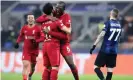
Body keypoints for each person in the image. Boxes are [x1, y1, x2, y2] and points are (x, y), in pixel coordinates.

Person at [36, 3, 71, 80]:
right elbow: (67, 32)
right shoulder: (56, 21)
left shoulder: (42, 22)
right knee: (55, 68)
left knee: (47, 68)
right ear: (52, 10)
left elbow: (37, 20)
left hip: (45, 45)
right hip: (53, 45)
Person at [90, 8, 121, 80]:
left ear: (111, 14)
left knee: (96, 67)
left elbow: (101, 35)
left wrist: (94, 45)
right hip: (114, 51)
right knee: (110, 70)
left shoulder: (108, 23)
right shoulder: (119, 25)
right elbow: (118, 38)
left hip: (105, 49)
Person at [14, 14, 43, 80]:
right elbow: (20, 36)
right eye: (29, 18)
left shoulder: (37, 28)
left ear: (34, 19)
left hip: (34, 50)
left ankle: (30, 75)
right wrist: (17, 42)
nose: (30, 19)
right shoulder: (24, 28)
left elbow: (42, 37)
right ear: (27, 20)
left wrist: (36, 41)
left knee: (32, 67)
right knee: (25, 64)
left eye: (32, 18)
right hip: (26, 50)